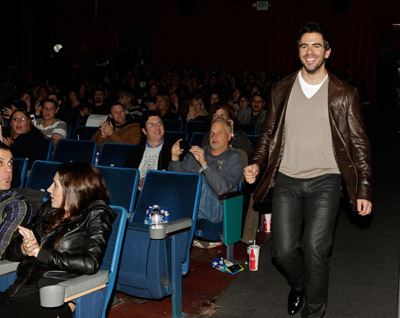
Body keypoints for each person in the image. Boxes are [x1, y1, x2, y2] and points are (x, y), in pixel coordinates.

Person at [243, 22, 373, 318]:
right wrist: (256, 163)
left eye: (316, 45)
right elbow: (267, 133)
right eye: (304, 46)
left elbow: (360, 145)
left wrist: (364, 188)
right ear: (298, 52)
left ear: (327, 51)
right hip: (287, 179)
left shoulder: (344, 93)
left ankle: (314, 312)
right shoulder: (282, 88)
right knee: (283, 252)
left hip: (326, 181)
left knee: (316, 250)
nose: (309, 51)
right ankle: (300, 285)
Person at [1, 162, 115, 318]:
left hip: (53, 297)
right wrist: (23, 248)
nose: (48, 189)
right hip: (19, 291)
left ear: (72, 189)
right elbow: (10, 252)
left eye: (55, 185)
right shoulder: (48, 209)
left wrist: (39, 253)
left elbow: (90, 263)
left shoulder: (96, 215)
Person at [169, 118, 243, 223]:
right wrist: (175, 157)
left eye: (219, 133)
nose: (214, 136)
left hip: (218, 208)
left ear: (229, 136)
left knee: (199, 180)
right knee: (163, 180)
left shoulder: (234, 157)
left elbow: (222, 189)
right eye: (212, 133)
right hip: (189, 203)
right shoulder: (197, 152)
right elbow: (177, 179)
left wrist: (204, 164)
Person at [124, 110, 173, 190]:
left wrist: (151, 181)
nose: (157, 127)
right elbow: (127, 175)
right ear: (144, 131)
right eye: (151, 125)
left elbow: (173, 178)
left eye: (160, 123)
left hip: (161, 191)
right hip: (136, 192)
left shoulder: (173, 150)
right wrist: (139, 182)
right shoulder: (135, 152)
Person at [0, 143, 32, 259]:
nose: (8, 169)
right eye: (0, 163)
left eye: (10, 163)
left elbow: (1, 250)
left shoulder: (16, 205)